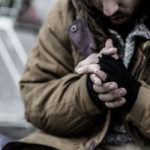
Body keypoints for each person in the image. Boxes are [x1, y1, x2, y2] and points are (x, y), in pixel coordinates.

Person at [2, 0, 150, 149]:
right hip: (76, 143)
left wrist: (133, 94)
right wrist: (89, 91)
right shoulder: (67, 11)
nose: (109, 10)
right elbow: (36, 102)